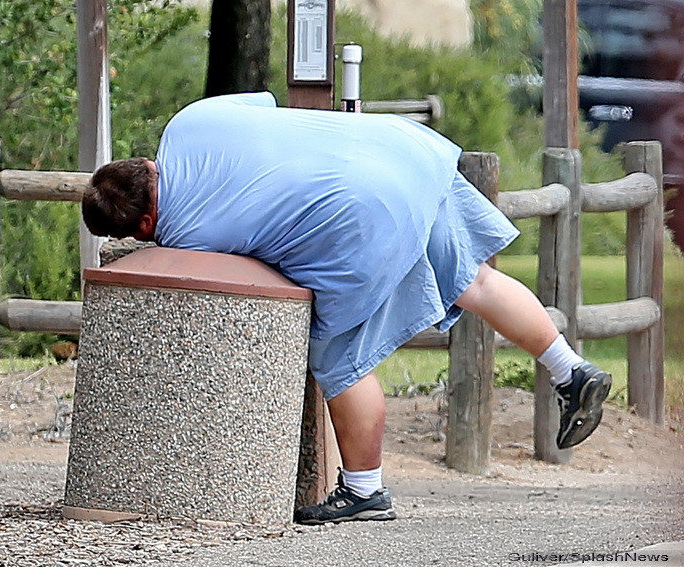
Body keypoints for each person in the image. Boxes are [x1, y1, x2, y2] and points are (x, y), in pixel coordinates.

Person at [81, 92, 612, 526]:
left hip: (354, 216)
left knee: (338, 359)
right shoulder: (187, 121)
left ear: (142, 227)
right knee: (474, 280)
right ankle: (571, 369)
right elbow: (266, 106)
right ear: (146, 165)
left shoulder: (181, 236)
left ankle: (364, 490)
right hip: (399, 150)